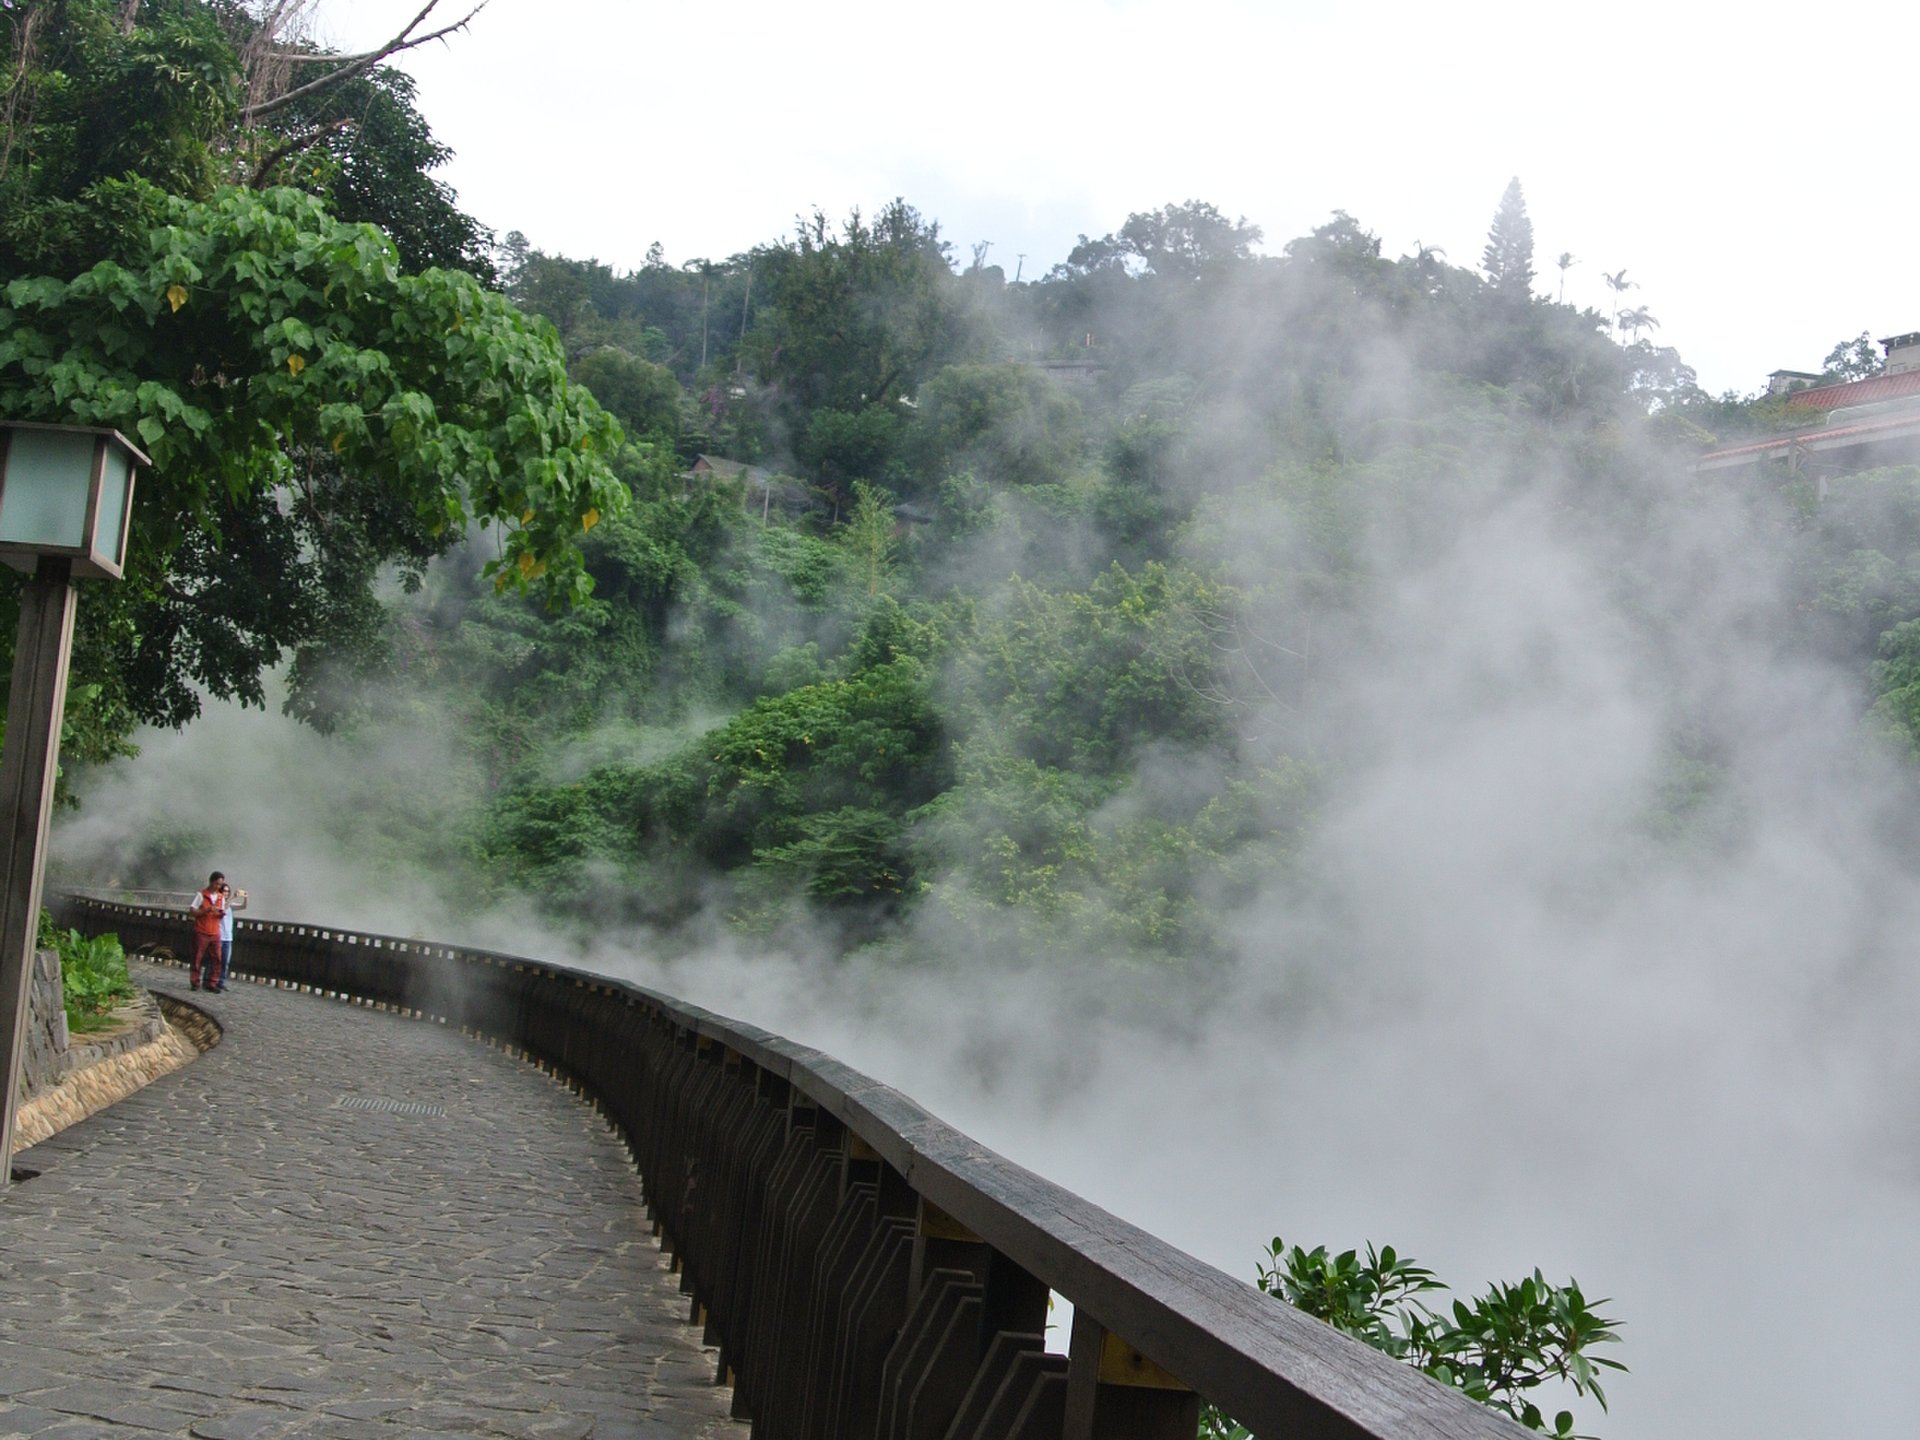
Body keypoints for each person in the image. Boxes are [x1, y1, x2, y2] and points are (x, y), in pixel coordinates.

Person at [187, 872, 229, 992]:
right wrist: (206, 910)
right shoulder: (201, 895)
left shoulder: (221, 897)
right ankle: (195, 982)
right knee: (197, 958)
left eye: (220, 884)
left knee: (217, 958)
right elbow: (192, 911)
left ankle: (212, 983)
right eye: (217, 883)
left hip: (215, 931)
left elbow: (221, 913)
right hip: (201, 930)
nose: (218, 886)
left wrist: (220, 913)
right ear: (211, 882)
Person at [219, 881, 247, 985]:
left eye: (227, 891)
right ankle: (210, 981)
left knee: (225, 961)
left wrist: (245, 898)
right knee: (215, 961)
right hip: (219, 936)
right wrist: (233, 897)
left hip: (228, 938)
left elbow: (243, 907)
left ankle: (221, 982)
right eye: (224, 891)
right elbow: (223, 908)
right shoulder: (219, 902)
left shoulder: (230, 905)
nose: (226, 893)